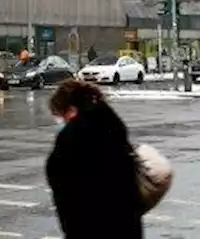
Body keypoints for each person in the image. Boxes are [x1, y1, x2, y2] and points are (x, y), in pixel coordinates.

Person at [45, 79, 143, 238]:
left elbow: (67, 189)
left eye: (61, 115)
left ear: (71, 110)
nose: (61, 121)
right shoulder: (113, 126)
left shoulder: (73, 137)